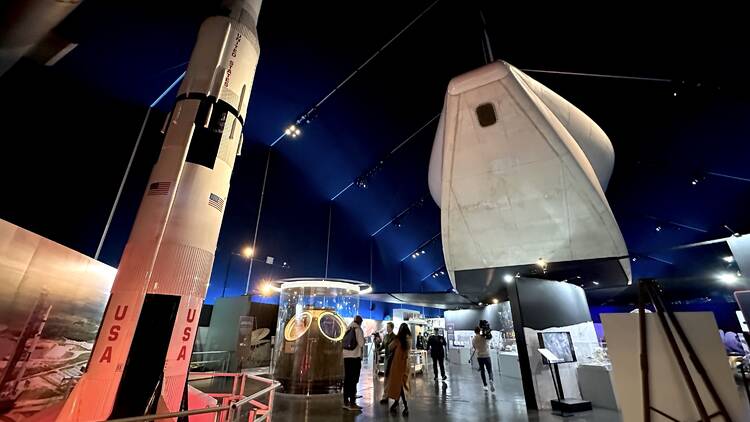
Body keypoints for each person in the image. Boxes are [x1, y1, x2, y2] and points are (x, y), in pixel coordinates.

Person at [385, 323, 411, 416]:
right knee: (401, 384)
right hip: (405, 365)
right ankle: (396, 403)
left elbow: (390, 347)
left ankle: (405, 406)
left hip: (397, 365)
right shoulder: (409, 339)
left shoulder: (398, 339)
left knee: (398, 385)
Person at [343, 315, 365, 410]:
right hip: (354, 357)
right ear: (360, 322)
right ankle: (352, 403)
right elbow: (361, 343)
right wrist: (364, 339)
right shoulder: (358, 330)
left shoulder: (348, 328)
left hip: (346, 357)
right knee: (353, 380)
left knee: (347, 379)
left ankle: (345, 401)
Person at [472, 326, 495, 392]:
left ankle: (485, 385)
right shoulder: (484, 337)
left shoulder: (474, 339)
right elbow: (489, 338)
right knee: (490, 370)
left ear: (475, 331)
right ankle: (491, 379)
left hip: (479, 356)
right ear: (480, 330)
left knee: (482, 371)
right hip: (487, 355)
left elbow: (474, 347)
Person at [379, 322, 396, 402]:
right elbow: (383, 345)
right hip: (386, 358)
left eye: (388, 327)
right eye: (387, 327)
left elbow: (393, 348)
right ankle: (385, 395)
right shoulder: (385, 336)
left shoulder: (395, 337)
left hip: (392, 359)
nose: (387, 328)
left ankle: (394, 396)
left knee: (392, 376)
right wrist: (378, 349)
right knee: (386, 376)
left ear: (392, 328)